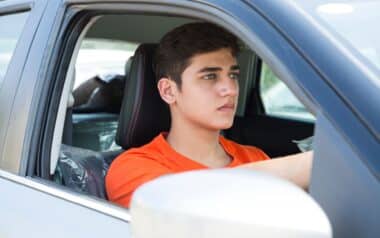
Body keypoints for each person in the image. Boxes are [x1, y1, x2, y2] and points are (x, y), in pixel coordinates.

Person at [105, 22, 312, 208]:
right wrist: (308, 165)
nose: (230, 89)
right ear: (169, 91)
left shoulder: (254, 156)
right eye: (210, 76)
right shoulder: (132, 167)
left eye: (233, 75)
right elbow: (189, 212)